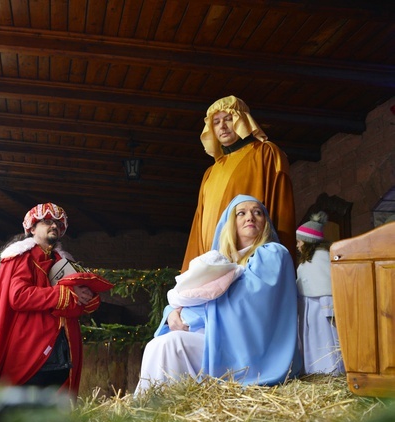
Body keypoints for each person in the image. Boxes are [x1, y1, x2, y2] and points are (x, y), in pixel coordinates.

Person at [135, 195, 301, 394]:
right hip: (214, 336)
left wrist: (190, 314)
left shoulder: (272, 254)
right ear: (230, 223)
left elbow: (246, 301)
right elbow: (193, 290)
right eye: (242, 213)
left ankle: (154, 414)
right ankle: (158, 412)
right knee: (157, 345)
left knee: (171, 345)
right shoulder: (219, 261)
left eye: (258, 212)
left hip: (249, 350)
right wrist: (172, 313)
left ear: (265, 223)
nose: (250, 217)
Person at [0, 203, 100, 395]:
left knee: (56, 402)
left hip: (62, 345)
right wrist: (63, 294)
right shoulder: (21, 257)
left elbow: (72, 305)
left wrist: (84, 297)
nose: (54, 226)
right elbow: (18, 297)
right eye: (47, 222)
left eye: (58, 224)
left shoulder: (64, 261)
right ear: (32, 228)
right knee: (28, 403)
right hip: (31, 344)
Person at [182, 96, 296, 271]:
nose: (222, 126)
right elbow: (199, 226)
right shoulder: (210, 172)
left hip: (250, 263)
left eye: (228, 119)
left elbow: (280, 211)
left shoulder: (265, 153)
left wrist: (278, 266)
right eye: (216, 122)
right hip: (210, 264)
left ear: (242, 120)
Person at [296, 212, 343, 375]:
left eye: (299, 241)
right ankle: (313, 370)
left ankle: (330, 370)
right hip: (309, 308)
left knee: (325, 339)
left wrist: (328, 308)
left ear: (308, 242)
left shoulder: (321, 259)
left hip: (322, 310)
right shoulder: (307, 262)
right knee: (312, 340)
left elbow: (326, 286)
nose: (297, 245)